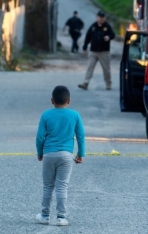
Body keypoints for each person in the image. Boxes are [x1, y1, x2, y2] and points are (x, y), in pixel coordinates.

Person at [35, 86, 85, 227]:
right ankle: (61, 217)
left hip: (49, 155)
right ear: (69, 101)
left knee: (48, 186)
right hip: (66, 155)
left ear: (52, 100)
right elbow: (80, 136)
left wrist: (40, 152)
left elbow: (39, 137)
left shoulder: (45, 115)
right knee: (62, 187)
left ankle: (44, 215)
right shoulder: (75, 115)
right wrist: (80, 154)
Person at [78, 11, 115, 90]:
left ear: (104, 18)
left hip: (104, 51)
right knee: (90, 67)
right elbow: (88, 37)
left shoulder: (107, 27)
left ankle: (108, 84)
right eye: (100, 17)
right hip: (93, 51)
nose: (101, 19)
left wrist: (108, 37)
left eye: (102, 17)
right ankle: (85, 83)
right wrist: (85, 47)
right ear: (97, 17)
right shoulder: (93, 27)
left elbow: (113, 35)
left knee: (106, 69)